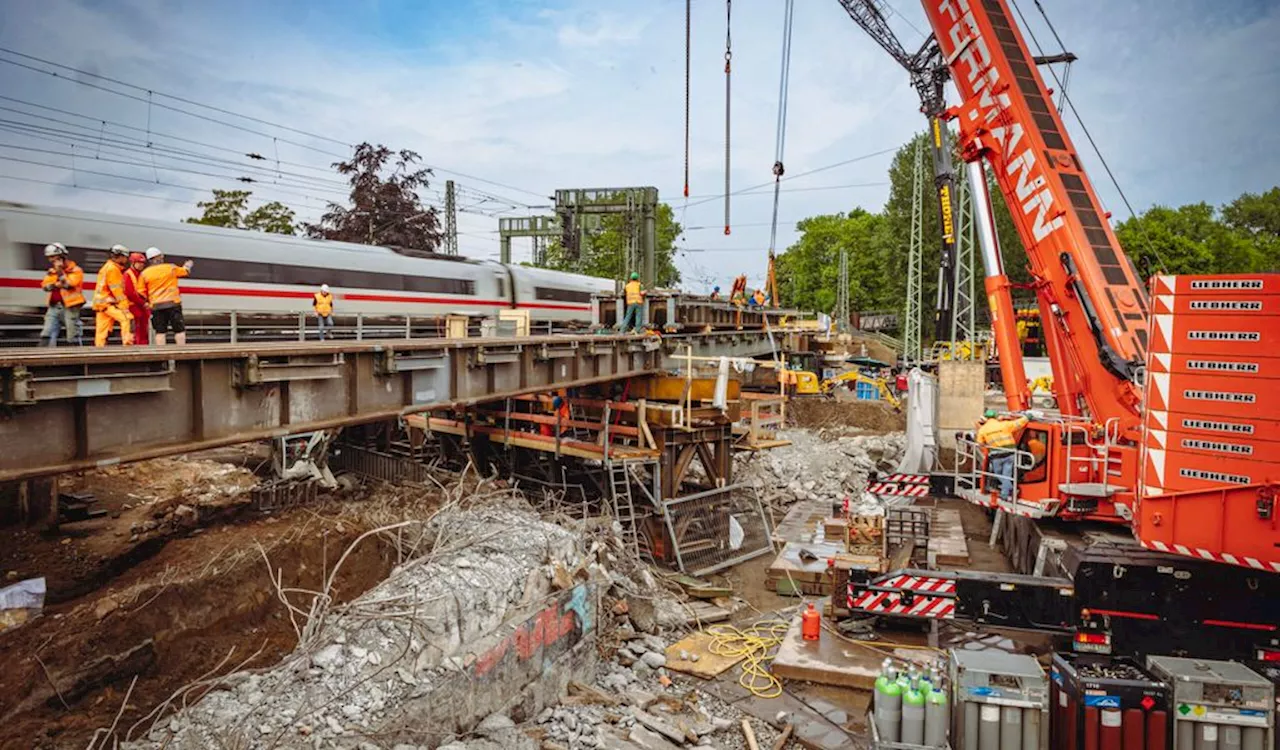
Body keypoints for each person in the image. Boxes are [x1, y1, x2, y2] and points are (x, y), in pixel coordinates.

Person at [139, 247, 193, 345]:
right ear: (159, 257)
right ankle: (181, 353)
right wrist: (188, 265)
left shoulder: (144, 273)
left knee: (160, 332)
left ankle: (161, 356)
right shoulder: (170, 268)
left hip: (156, 306)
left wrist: (146, 303)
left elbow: (141, 292)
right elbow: (185, 272)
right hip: (172, 304)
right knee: (179, 330)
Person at [976, 409, 1029, 500]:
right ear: (996, 417)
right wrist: (1027, 417)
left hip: (996, 455)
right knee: (1006, 475)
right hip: (1010, 454)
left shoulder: (983, 430)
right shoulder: (1004, 425)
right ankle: (1007, 491)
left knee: (999, 474)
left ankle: (1009, 491)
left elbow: (980, 443)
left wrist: (987, 448)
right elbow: (1018, 423)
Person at [39, 243, 85, 347]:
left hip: (70, 307)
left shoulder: (76, 270)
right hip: (54, 306)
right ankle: (43, 358)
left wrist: (60, 272)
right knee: (47, 332)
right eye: (49, 257)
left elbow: (68, 284)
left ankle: (75, 358)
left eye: (53, 257)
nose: (50, 260)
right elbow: (45, 286)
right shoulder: (51, 271)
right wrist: (57, 284)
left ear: (62, 256)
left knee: (72, 334)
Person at [92, 244, 133, 347]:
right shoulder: (113, 269)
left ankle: (99, 351)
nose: (126, 260)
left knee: (101, 332)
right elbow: (117, 291)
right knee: (127, 318)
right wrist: (125, 306)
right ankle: (128, 346)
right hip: (108, 303)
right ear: (121, 256)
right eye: (126, 257)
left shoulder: (106, 267)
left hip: (100, 304)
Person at [122, 251, 151, 345]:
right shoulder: (128, 274)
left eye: (143, 263)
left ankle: (143, 347)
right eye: (139, 263)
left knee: (143, 331)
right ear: (133, 263)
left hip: (141, 307)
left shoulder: (141, 274)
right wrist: (143, 303)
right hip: (133, 307)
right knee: (136, 331)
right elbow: (129, 293)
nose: (142, 265)